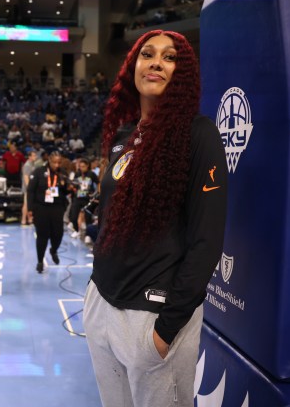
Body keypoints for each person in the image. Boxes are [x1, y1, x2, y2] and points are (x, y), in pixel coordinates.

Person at [82, 30, 228, 407]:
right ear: (134, 66)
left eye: (169, 57)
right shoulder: (125, 137)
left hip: (152, 319)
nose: (157, 63)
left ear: (182, 73)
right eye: (148, 54)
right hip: (102, 304)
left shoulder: (199, 136)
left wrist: (165, 330)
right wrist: (94, 293)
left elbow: (206, 242)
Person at [26, 151, 69, 273]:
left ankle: (53, 250)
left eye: (59, 162)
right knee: (42, 236)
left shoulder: (63, 173)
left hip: (57, 208)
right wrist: (30, 209)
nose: (57, 165)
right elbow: (30, 191)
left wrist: (67, 187)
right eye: (54, 162)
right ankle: (40, 261)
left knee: (58, 234)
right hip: (41, 208)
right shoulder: (39, 172)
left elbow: (66, 192)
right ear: (49, 161)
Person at [69, 158, 98, 239]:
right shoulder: (77, 174)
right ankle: (76, 230)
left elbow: (98, 183)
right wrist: (72, 187)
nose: (81, 168)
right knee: (73, 216)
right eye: (80, 166)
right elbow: (74, 184)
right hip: (78, 198)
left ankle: (88, 235)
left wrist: (95, 193)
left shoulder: (91, 174)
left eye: (83, 166)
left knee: (88, 217)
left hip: (87, 199)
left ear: (87, 166)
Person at [20, 150, 37, 225]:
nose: (35, 157)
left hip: (32, 187)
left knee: (30, 204)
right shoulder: (27, 165)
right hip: (28, 188)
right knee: (26, 204)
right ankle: (23, 220)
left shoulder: (32, 164)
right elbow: (26, 178)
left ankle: (29, 219)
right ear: (29, 157)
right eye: (33, 155)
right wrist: (29, 188)